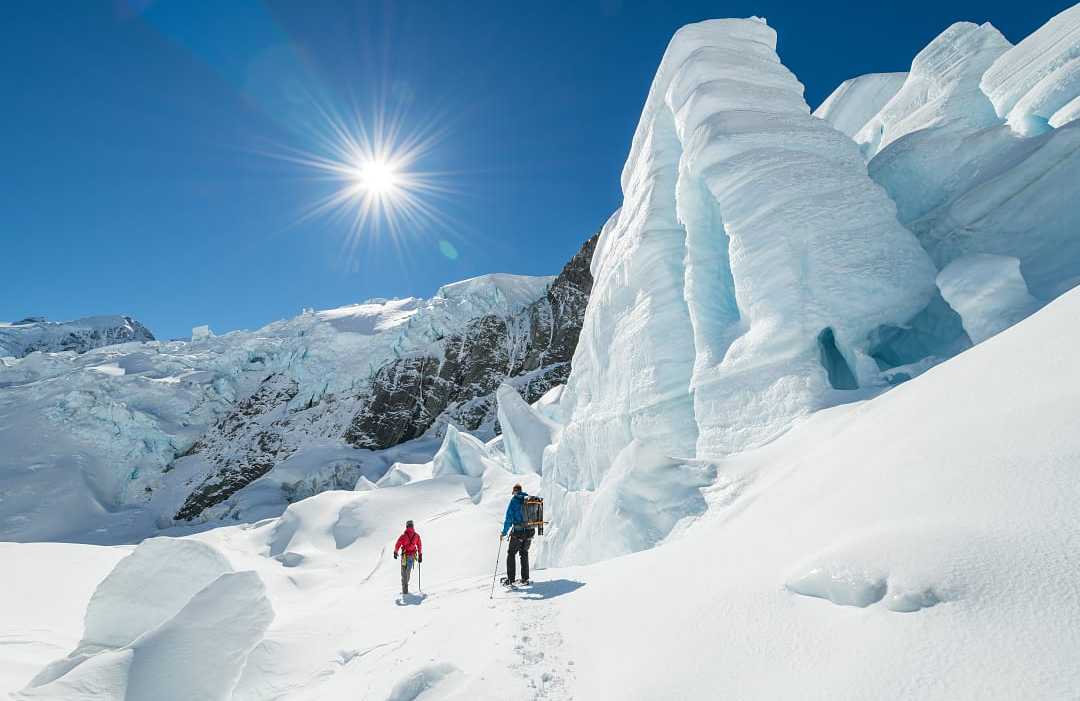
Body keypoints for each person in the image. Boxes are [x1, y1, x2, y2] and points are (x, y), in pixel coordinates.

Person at [501, 484, 535, 585]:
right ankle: (525, 578)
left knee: (511, 554)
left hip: (518, 533)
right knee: (524, 553)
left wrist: (504, 532)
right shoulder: (528, 500)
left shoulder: (514, 501)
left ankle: (511, 579)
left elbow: (509, 519)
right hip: (529, 532)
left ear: (515, 492)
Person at [393, 520, 423, 595]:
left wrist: (395, 552)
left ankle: (405, 590)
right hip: (412, 556)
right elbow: (419, 545)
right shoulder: (416, 536)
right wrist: (420, 555)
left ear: (406, 526)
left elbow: (398, 544)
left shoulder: (403, 536)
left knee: (403, 572)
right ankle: (405, 589)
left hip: (404, 556)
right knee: (407, 572)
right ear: (413, 526)